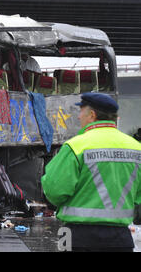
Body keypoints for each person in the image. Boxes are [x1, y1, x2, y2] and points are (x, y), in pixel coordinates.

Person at [42, 92, 141, 252]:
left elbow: (54, 191)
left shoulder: (75, 146)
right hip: (121, 238)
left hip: (76, 236)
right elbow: (138, 195)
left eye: (81, 111)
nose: (79, 117)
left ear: (92, 115)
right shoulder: (136, 148)